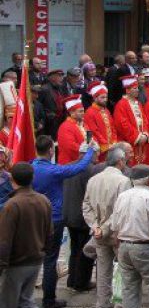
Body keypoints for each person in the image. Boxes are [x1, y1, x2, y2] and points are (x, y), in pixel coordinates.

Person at [32, 134, 97, 308]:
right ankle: (48, 300)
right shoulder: (54, 171)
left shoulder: (31, 167)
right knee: (50, 260)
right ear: (51, 150)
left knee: (35, 259)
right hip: (54, 219)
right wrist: (90, 150)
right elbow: (80, 167)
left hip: (35, 218)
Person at [110, 164, 149, 308]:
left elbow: (115, 228)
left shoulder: (122, 196)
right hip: (146, 247)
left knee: (129, 291)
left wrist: (118, 248)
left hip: (124, 246)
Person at [82, 142, 133, 308]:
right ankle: (120, 304)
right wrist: (103, 228)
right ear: (120, 161)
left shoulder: (93, 180)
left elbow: (86, 206)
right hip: (117, 234)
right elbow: (120, 210)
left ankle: (103, 304)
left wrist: (96, 226)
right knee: (123, 271)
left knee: (103, 271)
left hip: (99, 234)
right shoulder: (124, 181)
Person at [0, 162, 53, 308]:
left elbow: (4, 240)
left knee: (7, 305)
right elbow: (50, 232)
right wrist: (44, 252)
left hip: (16, 263)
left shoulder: (12, 205)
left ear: (12, 180)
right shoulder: (44, 200)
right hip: (35, 260)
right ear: (32, 178)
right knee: (26, 302)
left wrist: (1, 264)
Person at [61, 125, 104, 294]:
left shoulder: (68, 166)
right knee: (85, 250)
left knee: (74, 249)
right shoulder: (90, 170)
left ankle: (72, 279)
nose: (98, 157)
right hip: (82, 216)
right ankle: (81, 281)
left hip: (68, 213)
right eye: (97, 154)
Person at [114, 74, 148, 165]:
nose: (137, 90)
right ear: (127, 90)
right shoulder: (121, 104)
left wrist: (145, 134)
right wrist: (137, 136)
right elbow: (122, 125)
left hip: (141, 140)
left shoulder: (139, 104)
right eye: (134, 88)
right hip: (130, 142)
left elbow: (144, 120)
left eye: (137, 88)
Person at [83, 81, 117, 161]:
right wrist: (105, 145)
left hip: (111, 147)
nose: (105, 100)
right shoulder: (89, 112)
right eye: (102, 97)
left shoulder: (106, 111)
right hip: (100, 150)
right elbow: (93, 132)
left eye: (106, 97)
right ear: (95, 98)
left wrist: (114, 141)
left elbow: (113, 127)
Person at [56, 94, 87, 165]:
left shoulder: (83, 124)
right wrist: (87, 152)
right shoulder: (65, 127)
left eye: (83, 111)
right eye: (80, 111)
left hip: (82, 161)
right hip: (70, 165)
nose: (83, 113)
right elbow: (70, 147)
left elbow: (90, 137)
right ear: (71, 112)